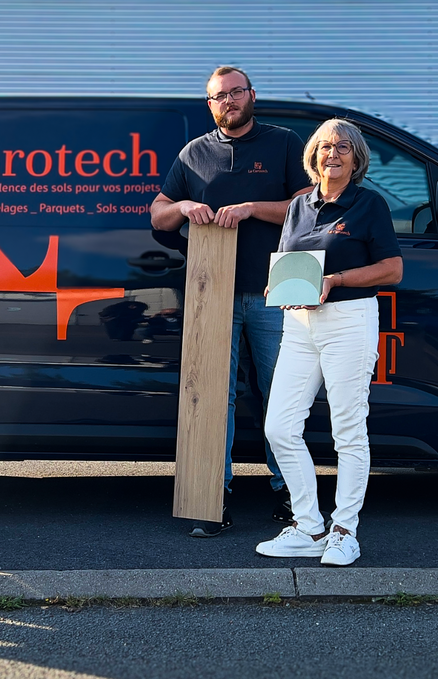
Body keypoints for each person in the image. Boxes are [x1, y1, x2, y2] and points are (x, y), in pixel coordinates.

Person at [150, 66, 312, 537]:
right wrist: (182, 207)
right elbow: (159, 215)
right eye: (219, 97)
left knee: (283, 395)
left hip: (278, 290)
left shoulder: (283, 143)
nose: (228, 102)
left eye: (236, 93)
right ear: (210, 104)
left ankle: (291, 496)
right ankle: (209, 496)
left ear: (251, 95)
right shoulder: (194, 154)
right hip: (211, 292)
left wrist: (252, 209)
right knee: (212, 399)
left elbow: (311, 204)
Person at [255, 118, 401, 567]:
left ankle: (344, 531)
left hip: (349, 321)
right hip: (300, 326)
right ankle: (308, 526)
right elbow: (290, 262)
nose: (331, 154)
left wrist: (334, 279)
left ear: (356, 158)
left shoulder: (369, 204)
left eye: (341, 148)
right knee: (278, 426)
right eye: (323, 147)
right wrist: (279, 287)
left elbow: (392, 269)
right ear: (312, 156)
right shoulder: (300, 206)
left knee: (348, 430)